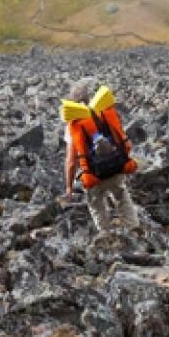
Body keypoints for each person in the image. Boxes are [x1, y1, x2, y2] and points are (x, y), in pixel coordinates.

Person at [63, 80, 140, 237]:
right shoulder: (102, 113)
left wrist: (69, 186)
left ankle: (106, 236)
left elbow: (71, 161)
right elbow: (120, 138)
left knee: (96, 204)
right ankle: (134, 231)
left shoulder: (74, 125)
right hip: (116, 165)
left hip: (93, 174)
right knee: (121, 196)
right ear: (88, 97)